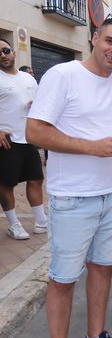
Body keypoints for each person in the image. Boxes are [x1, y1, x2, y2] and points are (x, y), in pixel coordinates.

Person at [26, 15, 112, 338]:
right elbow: (35, 131)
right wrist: (93, 147)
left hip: (110, 195)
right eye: (110, 41)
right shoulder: (63, 75)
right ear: (95, 38)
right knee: (63, 279)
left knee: (103, 269)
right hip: (71, 198)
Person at [0, 38, 47, 240]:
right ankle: (14, 225)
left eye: (5, 50)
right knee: (6, 185)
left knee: (36, 179)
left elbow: (40, 101)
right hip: (7, 141)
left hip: (28, 137)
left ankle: (41, 222)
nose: (3, 55)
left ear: (13, 52)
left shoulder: (28, 78)